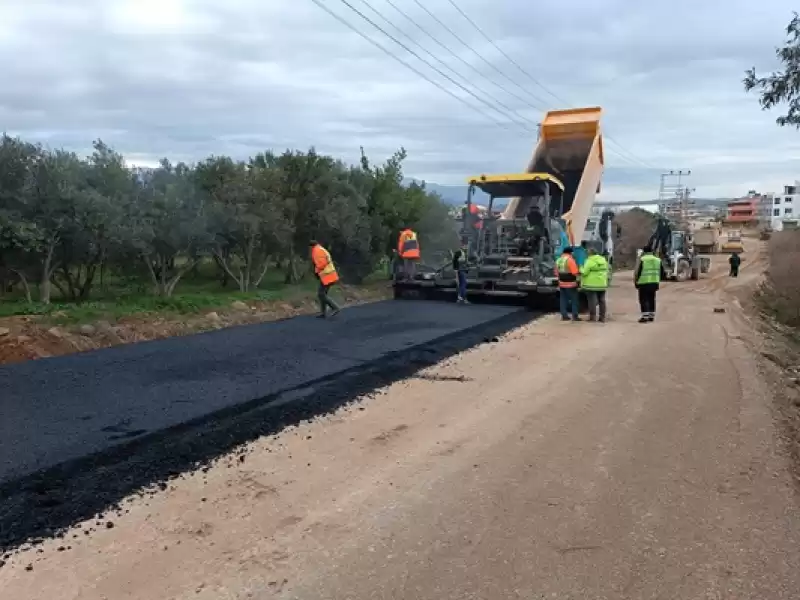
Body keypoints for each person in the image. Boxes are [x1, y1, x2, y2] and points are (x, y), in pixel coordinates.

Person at [634, 244, 667, 323]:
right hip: (654, 282)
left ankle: (645, 317)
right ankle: (651, 316)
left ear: (644, 251)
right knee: (652, 299)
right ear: (652, 251)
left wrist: (636, 282)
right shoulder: (658, 260)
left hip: (643, 282)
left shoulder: (642, 259)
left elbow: (637, 272)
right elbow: (663, 273)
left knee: (643, 299)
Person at [309, 240, 342, 319]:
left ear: (311, 247)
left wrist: (316, 271)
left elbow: (322, 263)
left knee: (321, 294)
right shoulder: (320, 249)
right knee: (322, 294)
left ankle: (335, 308)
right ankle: (323, 313)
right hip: (329, 275)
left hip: (327, 276)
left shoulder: (317, 251)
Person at [580, 247, 609, 322]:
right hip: (602, 283)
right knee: (602, 300)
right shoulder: (603, 260)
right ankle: (602, 317)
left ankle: (592, 317)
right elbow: (608, 270)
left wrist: (580, 268)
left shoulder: (589, 261)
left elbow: (584, 272)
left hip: (591, 284)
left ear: (590, 254)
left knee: (592, 301)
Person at [555, 246, 580, 321]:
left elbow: (556, 273)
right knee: (574, 300)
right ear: (570, 253)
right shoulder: (570, 260)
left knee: (563, 300)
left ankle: (564, 316)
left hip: (562, 283)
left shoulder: (558, 260)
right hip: (571, 284)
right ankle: (575, 316)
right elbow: (575, 272)